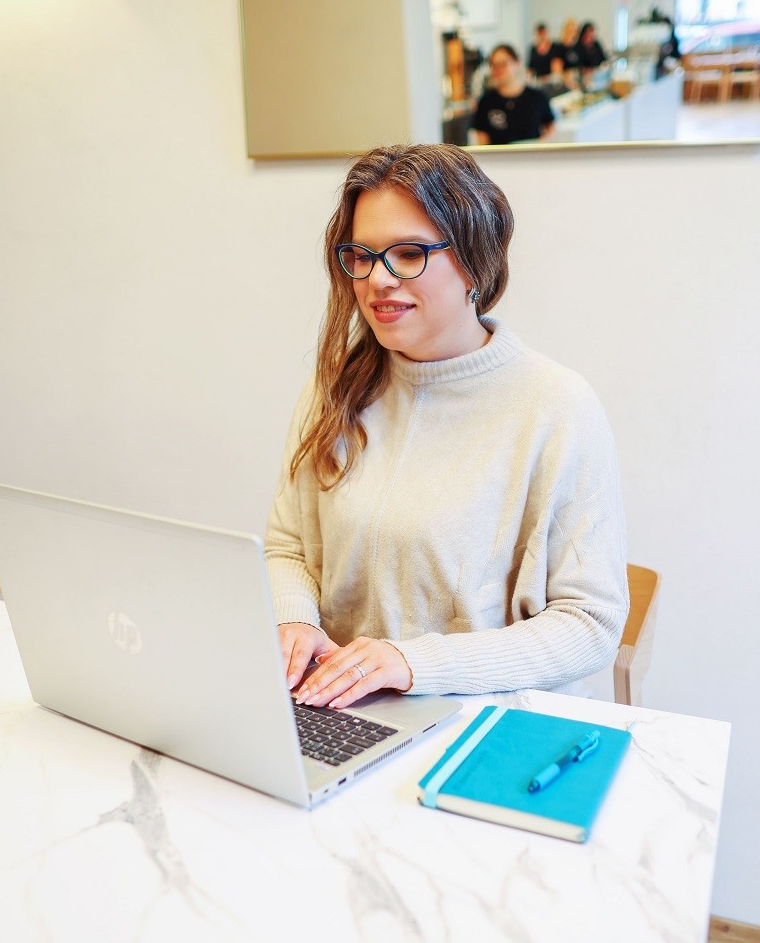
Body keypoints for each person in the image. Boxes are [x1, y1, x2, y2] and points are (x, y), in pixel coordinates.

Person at [264, 143, 629, 710]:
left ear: (474, 263)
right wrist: (294, 622)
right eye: (361, 254)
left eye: (409, 253)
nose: (377, 280)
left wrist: (412, 663)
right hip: (340, 708)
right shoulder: (335, 388)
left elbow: (590, 625)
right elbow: (288, 547)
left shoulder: (555, 406)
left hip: (485, 721)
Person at [470, 45, 556, 145]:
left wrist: (543, 144)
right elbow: (482, 141)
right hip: (499, 159)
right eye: (494, 65)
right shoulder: (486, 102)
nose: (499, 69)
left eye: (503, 64)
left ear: (517, 63)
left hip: (531, 157)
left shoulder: (537, 97)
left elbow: (551, 126)